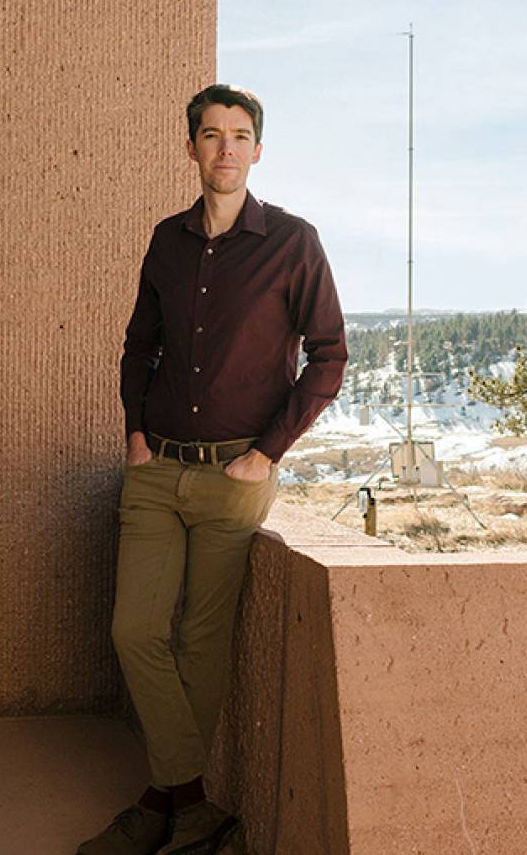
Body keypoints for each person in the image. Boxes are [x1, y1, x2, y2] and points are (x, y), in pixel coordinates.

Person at [77, 84, 346, 854]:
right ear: (191, 148)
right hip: (157, 469)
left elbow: (329, 356)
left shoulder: (293, 242)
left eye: (238, 135)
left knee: (201, 641)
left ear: (257, 151)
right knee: (134, 631)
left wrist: (268, 454)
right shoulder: (166, 240)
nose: (224, 148)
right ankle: (192, 803)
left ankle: (161, 807)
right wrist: (134, 432)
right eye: (210, 134)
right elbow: (139, 345)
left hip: (237, 475)